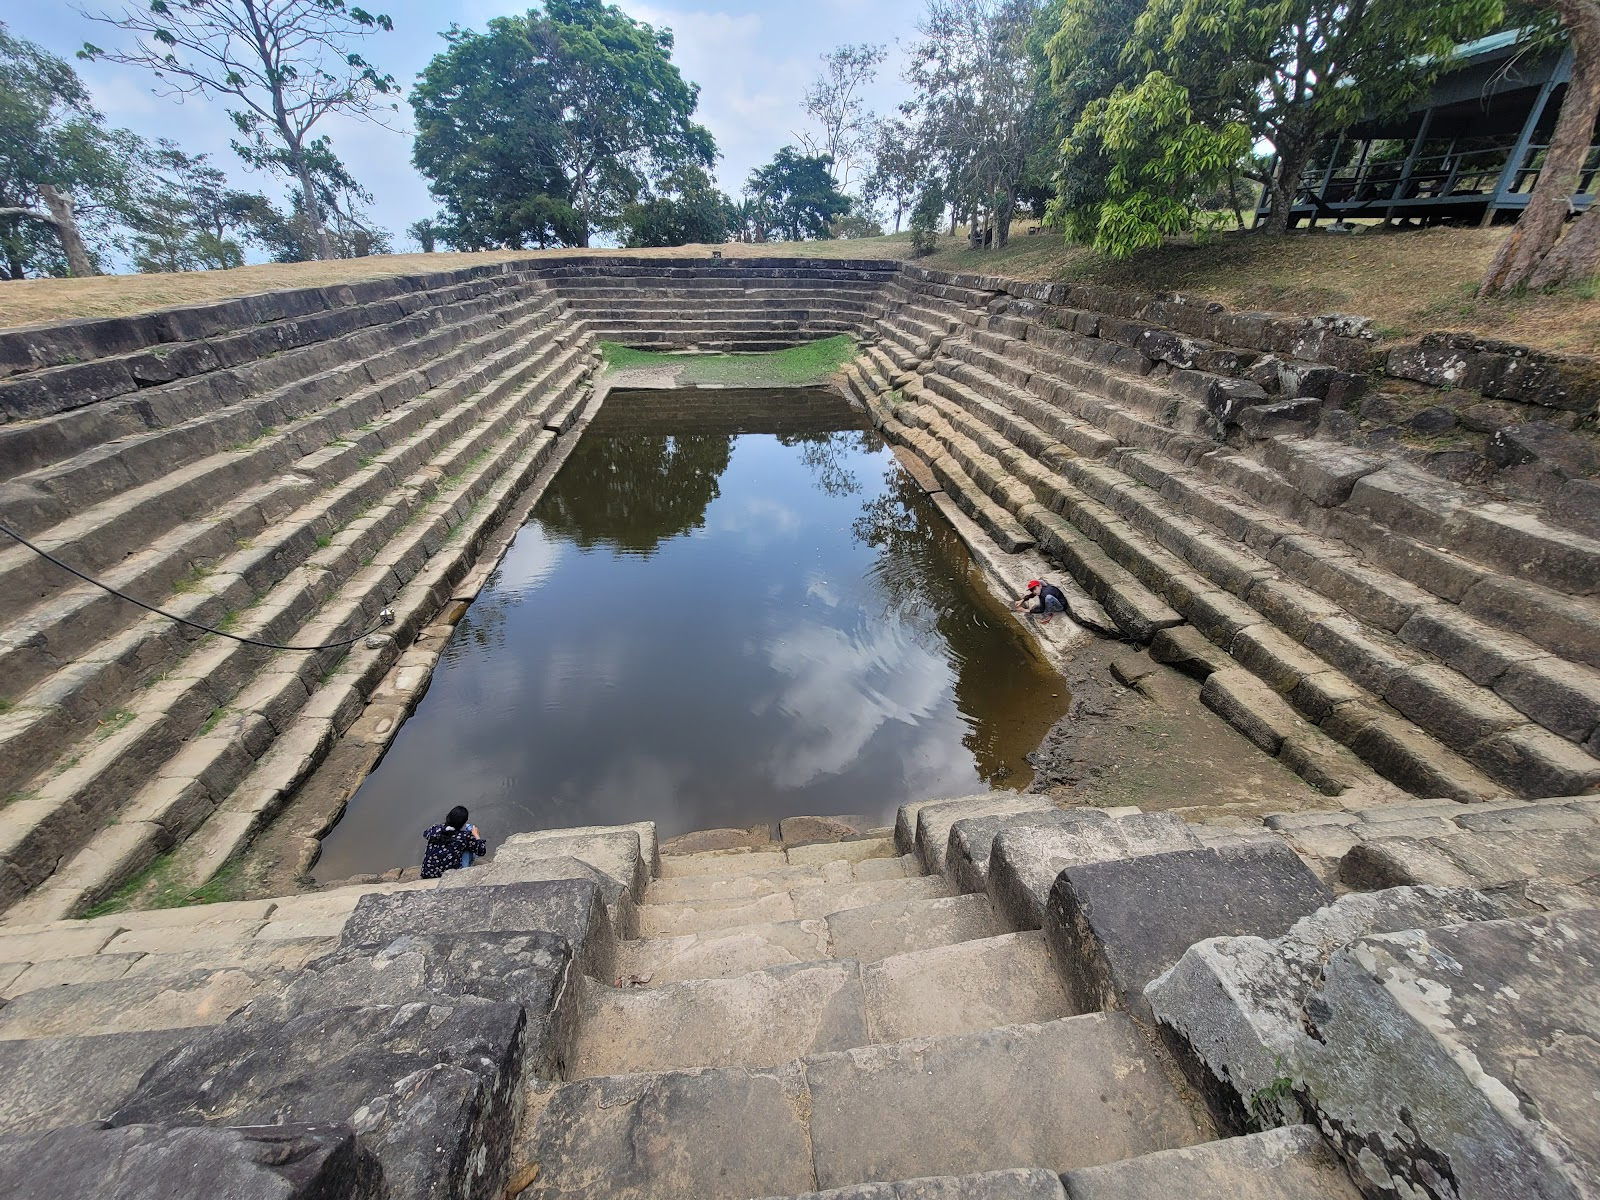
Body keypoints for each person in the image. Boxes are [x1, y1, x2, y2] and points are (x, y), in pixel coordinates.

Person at [421, 805, 487, 879]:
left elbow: (425, 834)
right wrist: (476, 835)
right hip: (449, 875)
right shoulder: (464, 837)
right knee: (469, 846)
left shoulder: (434, 829)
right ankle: (466, 868)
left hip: (428, 872)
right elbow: (481, 851)